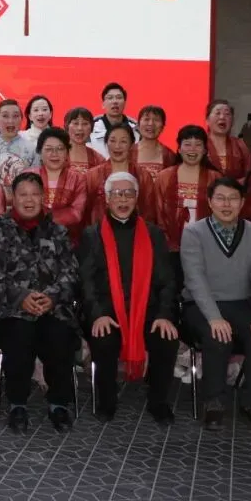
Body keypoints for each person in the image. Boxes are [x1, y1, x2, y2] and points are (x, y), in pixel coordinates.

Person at [0, 172, 80, 434]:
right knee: (19, 336)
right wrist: (21, 297)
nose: (29, 200)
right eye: (23, 194)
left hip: (53, 309)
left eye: (35, 194)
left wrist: (52, 297)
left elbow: (71, 271)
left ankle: (58, 404)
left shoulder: (58, 231)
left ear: (43, 197)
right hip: (12, 310)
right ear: (12, 198)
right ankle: (17, 405)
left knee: (60, 336)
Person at [79, 172, 178, 425]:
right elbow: (86, 283)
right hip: (107, 311)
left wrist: (164, 315)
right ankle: (106, 401)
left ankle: (158, 402)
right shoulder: (92, 234)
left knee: (165, 339)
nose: (123, 200)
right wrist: (97, 315)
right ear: (107, 199)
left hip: (147, 311)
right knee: (104, 339)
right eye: (117, 194)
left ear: (137, 198)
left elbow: (167, 280)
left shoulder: (153, 234)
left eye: (128, 194)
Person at [180, 177, 251, 432]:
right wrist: (214, 317)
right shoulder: (193, 232)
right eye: (220, 198)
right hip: (200, 306)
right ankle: (214, 402)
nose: (226, 204)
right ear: (210, 202)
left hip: (240, 304)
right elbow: (195, 280)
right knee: (218, 337)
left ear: (242, 203)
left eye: (233, 199)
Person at [155, 125, 221, 284]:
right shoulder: (164, 177)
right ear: (179, 149)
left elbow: (220, 214)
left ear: (205, 150)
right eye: (187, 144)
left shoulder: (215, 178)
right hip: (171, 249)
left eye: (198, 145)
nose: (192, 149)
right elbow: (157, 213)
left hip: (206, 249)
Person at [86, 122, 158, 224]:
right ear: (106, 143)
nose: (117, 146)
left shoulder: (143, 176)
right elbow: (86, 211)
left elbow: (149, 212)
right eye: (112, 141)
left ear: (131, 145)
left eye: (123, 141)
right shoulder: (92, 176)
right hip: (100, 231)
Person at [28, 128, 87, 244]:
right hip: (31, 242)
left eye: (60, 149)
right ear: (39, 152)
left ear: (67, 152)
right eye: (48, 149)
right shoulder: (28, 177)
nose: (54, 154)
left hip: (68, 242)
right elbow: (22, 209)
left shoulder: (78, 179)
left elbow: (76, 214)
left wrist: (43, 219)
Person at [89, 82, 140, 158]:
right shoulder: (91, 130)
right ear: (103, 104)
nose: (115, 101)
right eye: (110, 98)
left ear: (125, 103)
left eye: (119, 97)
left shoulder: (137, 130)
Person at [206, 100, 251, 180]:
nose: (222, 117)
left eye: (227, 114)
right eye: (217, 113)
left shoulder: (240, 145)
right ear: (207, 120)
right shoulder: (200, 145)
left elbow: (250, 175)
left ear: (232, 122)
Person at [0, 99, 37, 172]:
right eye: (5, 116)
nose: (10, 121)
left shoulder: (32, 149)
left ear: (21, 119)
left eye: (15, 116)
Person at [132, 105, 177, 180]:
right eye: (146, 119)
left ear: (162, 126)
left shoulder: (170, 156)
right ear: (138, 125)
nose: (151, 123)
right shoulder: (127, 153)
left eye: (156, 120)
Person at [64, 106, 105, 176]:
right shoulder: (57, 155)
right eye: (75, 123)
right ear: (66, 126)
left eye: (85, 124)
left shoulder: (98, 159)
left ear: (91, 128)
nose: (80, 128)